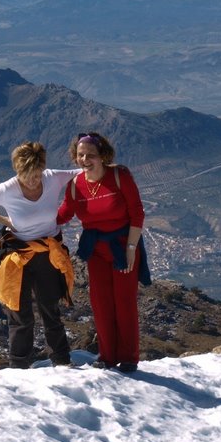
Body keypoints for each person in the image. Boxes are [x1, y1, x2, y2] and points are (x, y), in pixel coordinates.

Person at [0, 141, 79, 368]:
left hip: (48, 253)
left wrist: (112, 169)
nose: (33, 180)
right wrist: (3, 220)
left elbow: (83, 172)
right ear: (18, 171)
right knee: (19, 314)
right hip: (19, 256)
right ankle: (19, 367)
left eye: (37, 175)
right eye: (27, 175)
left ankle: (62, 361)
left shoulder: (53, 177)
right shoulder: (8, 189)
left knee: (51, 311)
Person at [57, 132, 149, 372]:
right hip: (95, 250)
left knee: (124, 303)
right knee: (101, 303)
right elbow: (63, 214)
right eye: (80, 155)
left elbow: (137, 213)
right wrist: (29, 220)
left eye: (91, 155)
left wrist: (131, 249)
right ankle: (107, 356)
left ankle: (128, 357)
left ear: (103, 156)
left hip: (122, 247)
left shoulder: (120, 177)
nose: (85, 159)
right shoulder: (75, 185)